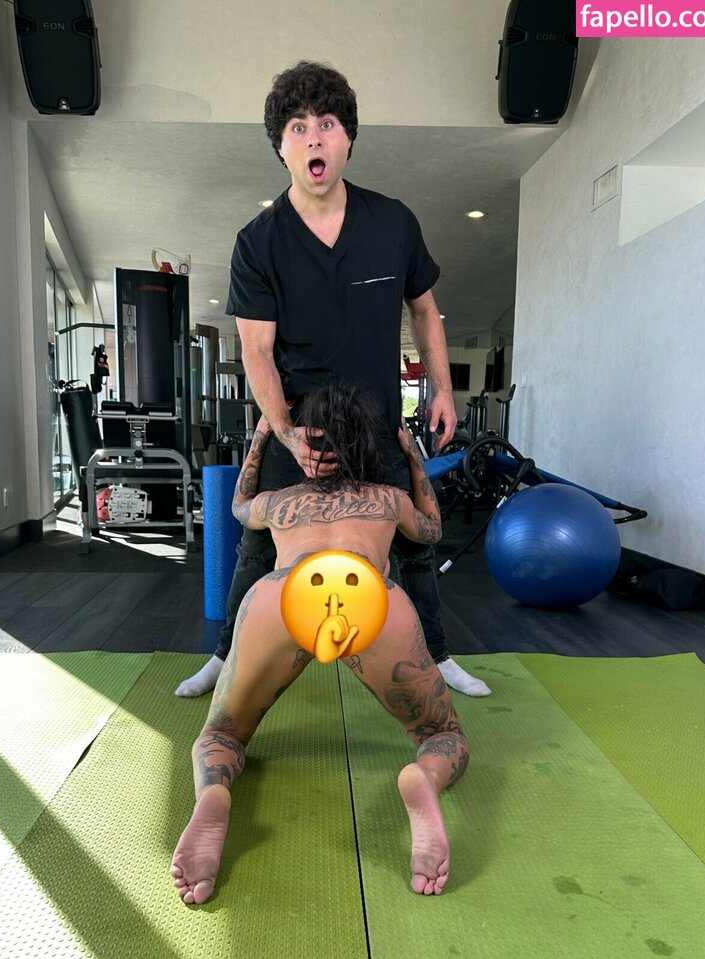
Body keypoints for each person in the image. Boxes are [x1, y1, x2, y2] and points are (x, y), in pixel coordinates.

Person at [175, 60, 490, 700]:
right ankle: (224, 655)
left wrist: (442, 389)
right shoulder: (258, 243)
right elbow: (256, 350)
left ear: (347, 138)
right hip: (301, 421)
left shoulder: (392, 223)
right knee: (257, 546)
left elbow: (424, 309)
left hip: (377, 419)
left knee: (414, 542)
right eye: (298, 126)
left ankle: (438, 655)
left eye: (326, 123)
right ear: (281, 146)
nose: (313, 137)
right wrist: (286, 434)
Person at [171, 382, 470, 903]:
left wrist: (263, 435)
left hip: (282, 595)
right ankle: (424, 776)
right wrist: (411, 453)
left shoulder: (281, 503)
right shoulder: (388, 500)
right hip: (369, 597)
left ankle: (214, 794)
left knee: (221, 735)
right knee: (444, 736)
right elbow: (431, 529)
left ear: (305, 443)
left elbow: (238, 505)